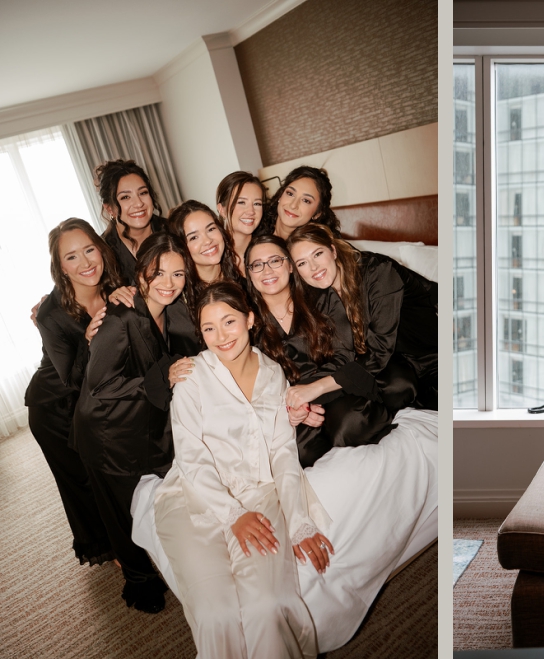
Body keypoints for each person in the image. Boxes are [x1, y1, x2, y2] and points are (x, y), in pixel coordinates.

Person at [154, 281, 332, 658]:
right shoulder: (190, 377)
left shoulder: (273, 375)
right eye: (209, 328)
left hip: (259, 494)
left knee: (268, 606)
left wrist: (299, 521)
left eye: (229, 322)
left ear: (250, 319)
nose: (221, 336)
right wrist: (232, 514)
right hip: (193, 498)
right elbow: (191, 457)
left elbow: (283, 453)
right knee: (215, 615)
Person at [72, 233, 199, 613]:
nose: (168, 283)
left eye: (178, 274)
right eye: (158, 273)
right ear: (140, 272)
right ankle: (139, 582)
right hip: (106, 428)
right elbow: (100, 385)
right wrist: (161, 378)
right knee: (122, 513)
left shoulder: (171, 311)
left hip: (139, 419)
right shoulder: (120, 317)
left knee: (152, 500)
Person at [245, 235, 395, 467]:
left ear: (290, 266)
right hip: (291, 405)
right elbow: (252, 378)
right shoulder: (247, 320)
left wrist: (309, 393)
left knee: (351, 425)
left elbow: (344, 356)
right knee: (298, 452)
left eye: (275, 260)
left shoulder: (321, 297)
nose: (267, 270)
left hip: (336, 388)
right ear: (249, 273)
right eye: (257, 265)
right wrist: (293, 406)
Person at [26, 219, 122, 567]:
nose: (85, 262)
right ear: (61, 268)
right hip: (55, 406)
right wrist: (89, 340)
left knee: (111, 474)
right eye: (71, 257)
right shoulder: (50, 314)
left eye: (89, 250)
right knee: (84, 482)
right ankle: (110, 547)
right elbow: (71, 379)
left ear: (101, 249)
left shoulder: (114, 287)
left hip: (96, 400)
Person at [287, 224, 437, 412]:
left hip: (429, 357)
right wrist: (303, 394)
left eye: (317, 254)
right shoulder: (316, 296)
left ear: (333, 250)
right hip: (393, 365)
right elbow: (337, 355)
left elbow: (379, 349)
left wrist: (318, 387)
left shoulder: (378, 271)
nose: (313, 267)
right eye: (302, 263)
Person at [95, 160, 166, 283]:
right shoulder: (102, 252)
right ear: (109, 208)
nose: (138, 203)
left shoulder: (174, 230)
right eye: (125, 197)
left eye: (143, 193)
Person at [169, 199, 241, 294]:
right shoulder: (180, 296)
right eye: (194, 237)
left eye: (211, 229)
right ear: (181, 246)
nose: (207, 241)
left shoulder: (243, 281)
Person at [257, 166, 341, 239]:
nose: (293, 205)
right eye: (290, 194)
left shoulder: (314, 248)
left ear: (317, 214)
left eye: (306, 201)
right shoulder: (255, 228)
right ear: (280, 195)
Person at [215, 171, 266, 275]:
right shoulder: (214, 258)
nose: (251, 211)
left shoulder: (269, 250)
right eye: (241, 202)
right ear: (222, 210)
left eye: (257, 204)